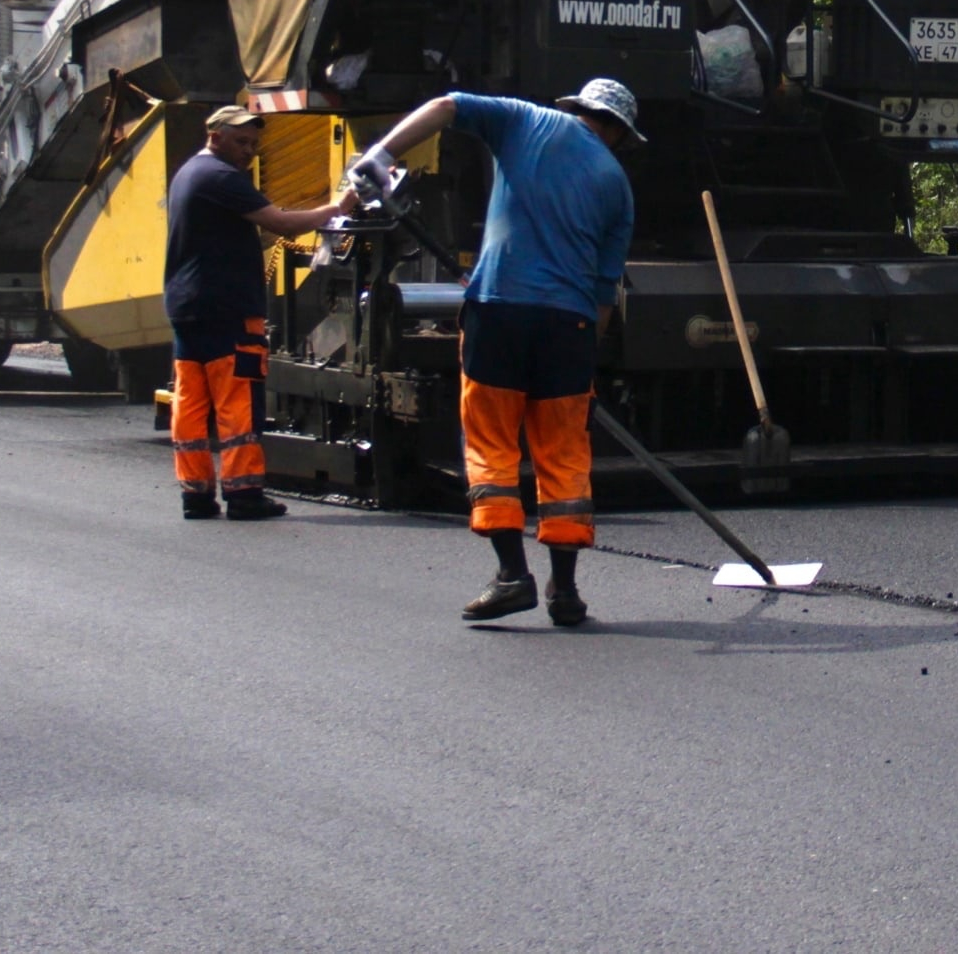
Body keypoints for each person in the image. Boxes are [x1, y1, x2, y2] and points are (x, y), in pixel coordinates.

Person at [350, 77, 641, 626]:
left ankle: (512, 575)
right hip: (571, 325)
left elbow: (443, 105)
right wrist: (584, 361)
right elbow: (605, 292)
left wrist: (381, 155)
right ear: (620, 133)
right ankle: (566, 590)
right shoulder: (618, 185)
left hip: (501, 310)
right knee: (563, 451)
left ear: (577, 107)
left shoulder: (526, 119)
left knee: (492, 440)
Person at [165, 104, 358, 521]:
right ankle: (244, 493)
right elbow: (281, 224)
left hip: (187, 305)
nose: (249, 151)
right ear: (214, 136)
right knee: (237, 401)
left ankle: (196, 495)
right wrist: (337, 208)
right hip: (228, 307)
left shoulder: (189, 174)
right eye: (241, 142)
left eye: (253, 144)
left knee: (192, 405)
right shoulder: (221, 177)